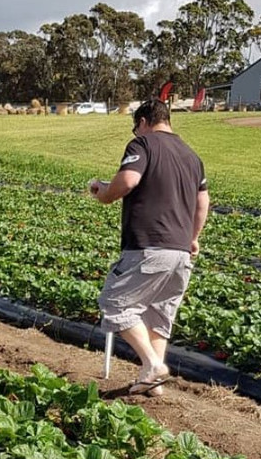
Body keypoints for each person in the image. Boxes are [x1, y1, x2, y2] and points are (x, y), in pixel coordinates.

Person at [88, 99, 209, 396]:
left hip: (147, 245)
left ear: (143, 121)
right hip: (180, 252)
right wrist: (193, 237)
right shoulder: (192, 156)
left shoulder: (143, 144)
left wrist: (103, 193)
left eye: (135, 126)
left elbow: (128, 180)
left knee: (115, 303)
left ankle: (153, 365)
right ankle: (151, 381)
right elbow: (203, 202)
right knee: (158, 314)